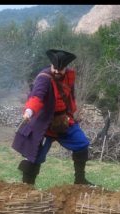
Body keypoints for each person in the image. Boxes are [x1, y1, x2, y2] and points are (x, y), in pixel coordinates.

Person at [13, 49, 93, 186]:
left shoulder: (68, 76)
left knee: (82, 144)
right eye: (55, 68)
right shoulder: (43, 78)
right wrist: (29, 111)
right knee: (35, 157)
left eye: (60, 69)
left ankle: (80, 180)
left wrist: (71, 113)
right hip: (44, 123)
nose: (57, 71)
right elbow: (37, 96)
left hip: (63, 121)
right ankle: (26, 187)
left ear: (65, 68)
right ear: (51, 65)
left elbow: (70, 97)